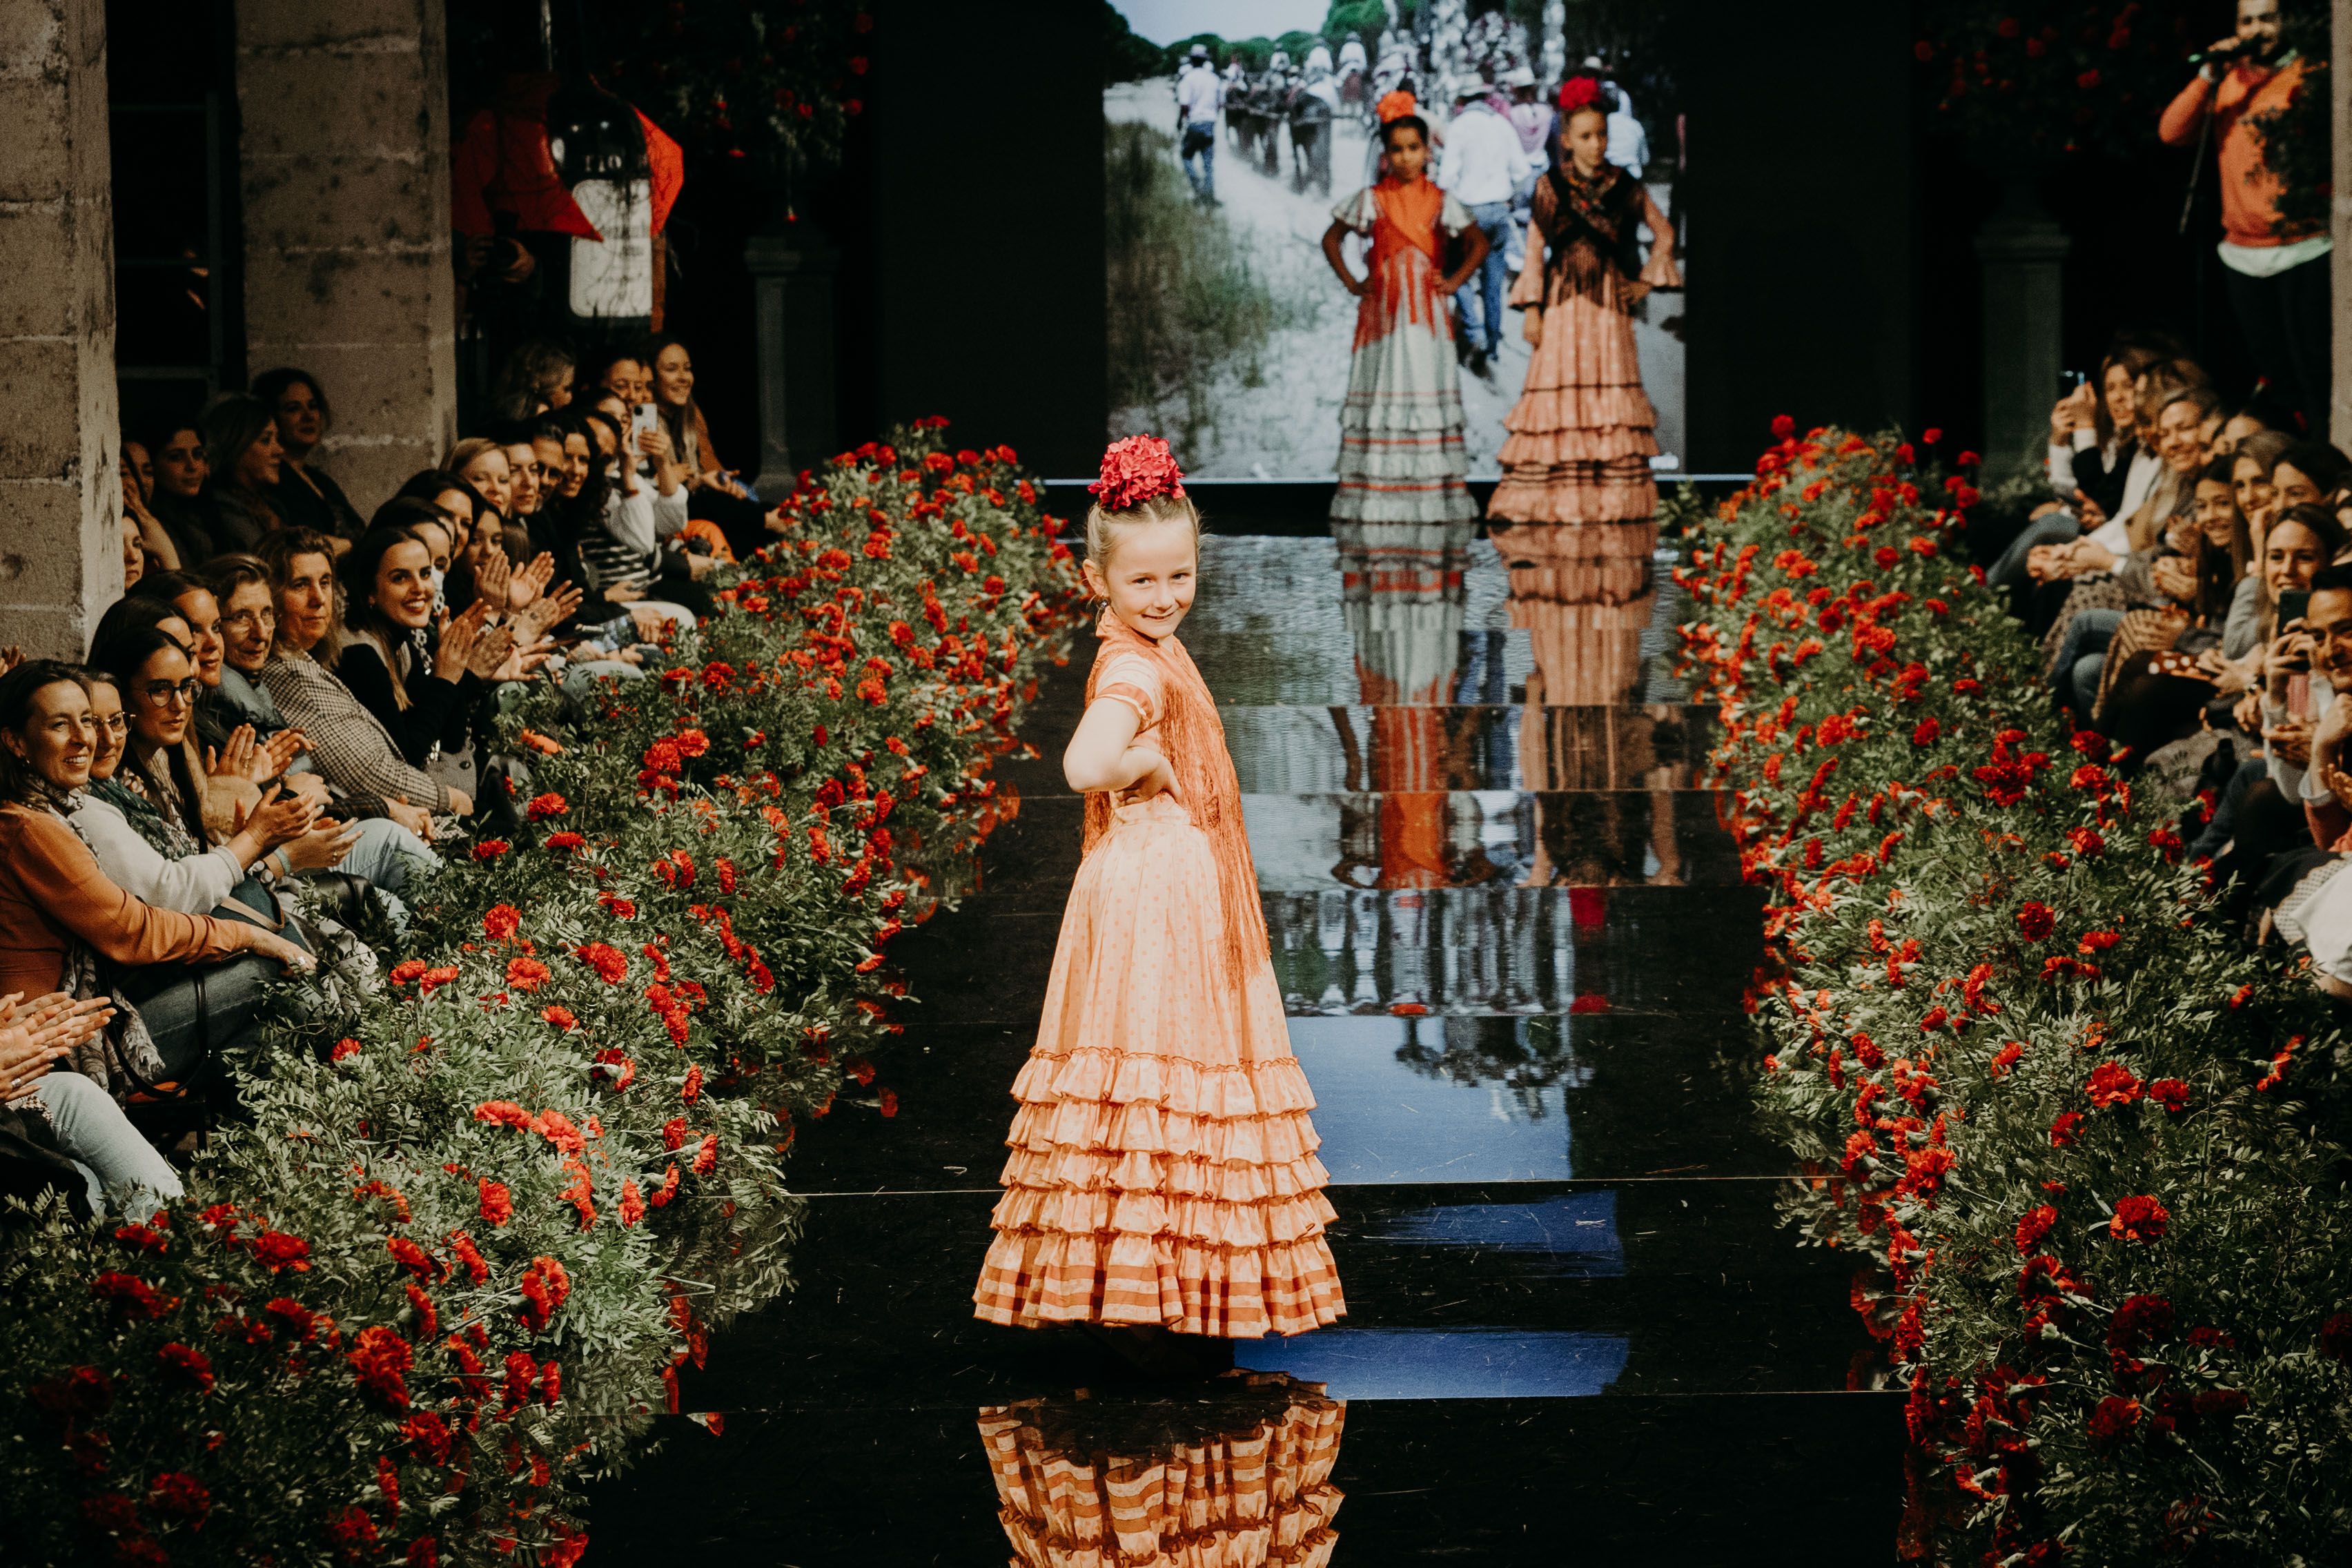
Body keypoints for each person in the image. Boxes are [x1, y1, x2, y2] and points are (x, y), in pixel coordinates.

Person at [972, 436, 1345, 1370]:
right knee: (1157, 1068)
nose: (1165, 594)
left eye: (1180, 574)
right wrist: (1140, 758)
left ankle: (1147, 1277)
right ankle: (1148, 1279)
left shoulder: (1153, 647)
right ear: (1098, 580)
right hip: (1153, 889)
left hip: (1165, 879)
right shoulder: (1133, 667)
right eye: (1142, 580)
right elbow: (1085, 762)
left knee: (1155, 1076)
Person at [0, 660, 311, 1093]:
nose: (86, 738)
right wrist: (247, 936)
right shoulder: (28, 827)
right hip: (55, 1053)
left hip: (83, 1022)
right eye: (59, 725)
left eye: (86, 720)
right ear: (15, 741)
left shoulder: (52, 811)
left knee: (270, 1032)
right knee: (273, 978)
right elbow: (134, 931)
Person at [1488, 82, 1679, 548]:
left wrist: (1646, 282)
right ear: (1567, 140)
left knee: (1608, 399)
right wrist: (1532, 310)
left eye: (1602, 135)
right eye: (1586, 136)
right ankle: (1560, 499)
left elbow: (1665, 233)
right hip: (1563, 306)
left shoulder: (1625, 185)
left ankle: (1610, 501)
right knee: (1558, 397)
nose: (1597, 144)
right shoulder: (1550, 187)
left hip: (1608, 308)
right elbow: (1534, 252)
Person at [2160, 0, 2330, 433]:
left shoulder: (2310, 74)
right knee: (2274, 374)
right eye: (2247, 20)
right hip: (2243, 252)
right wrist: (2208, 77)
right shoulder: (2226, 82)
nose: (2257, 29)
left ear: (2286, 22)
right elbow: (2172, 132)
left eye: (2267, 19)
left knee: (2315, 369)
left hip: (2306, 244)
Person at [1322, 111, 1484, 538]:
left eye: (1414, 148)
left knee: (1424, 382)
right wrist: (1353, 282)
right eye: (1397, 149)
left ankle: (1430, 498)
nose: (1406, 157)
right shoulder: (1373, 198)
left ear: (1428, 151)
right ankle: (1379, 497)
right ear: (1386, 154)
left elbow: (1478, 243)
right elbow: (1332, 239)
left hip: (1427, 313)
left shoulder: (1441, 200)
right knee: (1385, 387)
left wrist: (1453, 281)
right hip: (1385, 312)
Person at [255, 529, 473, 819]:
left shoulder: (400, 643)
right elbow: (374, 771)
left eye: (325, 582)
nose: (318, 598)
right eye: (300, 585)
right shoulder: (332, 663)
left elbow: (450, 737)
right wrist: (450, 798)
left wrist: (458, 674)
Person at [1433, 78, 1528, 375]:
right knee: (1493, 282)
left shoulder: (1460, 127)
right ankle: (1493, 344)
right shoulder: (1502, 124)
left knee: (1455, 272)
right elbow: (1522, 173)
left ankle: (1474, 332)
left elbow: (1446, 179)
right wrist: (1510, 201)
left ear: (1462, 100)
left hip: (1470, 213)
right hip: (1499, 210)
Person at [252, 369, 366, 543]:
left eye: (313, 406)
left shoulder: (321, 480)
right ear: (272, 417)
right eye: (293, 409)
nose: (309, 416)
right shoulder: (273, 481)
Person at [199, 395, 286, 556]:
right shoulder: (223, 506)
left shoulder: (272, 505)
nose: (280, 450)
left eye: (277, 439)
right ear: (236, 446)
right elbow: (269, 559)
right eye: (266, 440)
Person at [146, 420, 215, 566]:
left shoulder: (205, 509)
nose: (192, 466)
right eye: (176, 457)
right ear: (152, 465)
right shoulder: (154, 523)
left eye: (197, 454)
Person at [1176, 43, 1222, 204]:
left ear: (1191, 60)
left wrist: (1179, 122)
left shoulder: (1187, 79)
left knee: (1186, 156)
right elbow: (1219, 104)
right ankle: (1209, 196)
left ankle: (1197, 188)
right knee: (1208, 163)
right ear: (1205, 60)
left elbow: (1184, 106)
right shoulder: (1214, 79)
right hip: (1210, 123)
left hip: (1195, 123)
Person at [491, 339, 576, 421]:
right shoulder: (541, 414)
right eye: (566, 389)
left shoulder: (505, 410)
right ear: (547, 384)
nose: (570, 397)